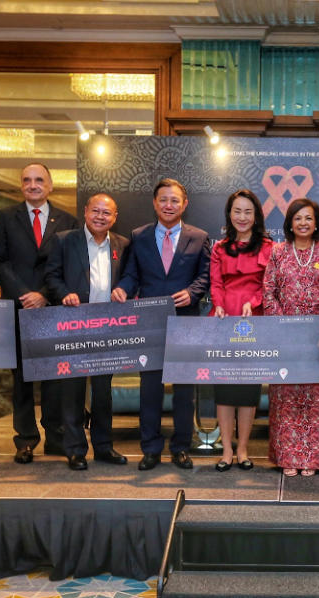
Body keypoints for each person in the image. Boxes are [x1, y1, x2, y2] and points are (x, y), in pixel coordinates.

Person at [112, 178, 211, 471]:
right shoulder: (139, 236)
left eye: (175, 200)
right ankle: (151, 449)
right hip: (150, 320)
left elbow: (206, 275)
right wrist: (122, 289)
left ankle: (181, 447)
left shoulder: (199, 236)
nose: (169, 205)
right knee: (150, 388)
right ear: (155, 203)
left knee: (184, 390)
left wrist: (193, 292)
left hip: (186, 321)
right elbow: (131, 274)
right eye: (163, 200)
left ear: (185, 204)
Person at [0, 163, 78, 464]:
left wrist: (44, 294)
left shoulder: (68, 220)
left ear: (50, 185)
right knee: (22, 379)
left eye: (39, 180)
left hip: (52, 308)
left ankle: (56, 436)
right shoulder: (4, 218)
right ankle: (25, 440)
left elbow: (69, 264)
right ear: (20, 185)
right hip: (17, 307)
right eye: (27, 180)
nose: (33, 185)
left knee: (55, 377)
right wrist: (25, 295)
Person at [44, 193, 130, 471]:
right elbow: (51, 276)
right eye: (96, 211)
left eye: (107, 213)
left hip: (107, 326)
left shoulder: (122, 244)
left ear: (115, 217)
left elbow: (129, 277)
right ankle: (76, 449)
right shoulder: (64, 240)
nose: (101, 217)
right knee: (73, 390)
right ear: (86, 211)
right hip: (75, 323)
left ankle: (104, 447)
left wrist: (124, 289)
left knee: (104, 391)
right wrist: (65, 294)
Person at [263, 198, 319, 477]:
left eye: (308, 218)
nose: (303, 223)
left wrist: (317, 327)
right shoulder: (278, 252)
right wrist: (283, 325)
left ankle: (314, 458)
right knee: (287, 397)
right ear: (290, 223)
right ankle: (288, 456)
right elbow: (268, 291)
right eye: (298, 218)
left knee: (316, 399)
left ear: (316, 223)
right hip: (284, 338)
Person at [209, 189, 273, 472]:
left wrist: (255, 302)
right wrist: (219, 305)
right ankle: (225, 451)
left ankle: (244, 449)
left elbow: (269, 285)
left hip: (254, 319)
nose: (242, 217)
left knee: (248, 388)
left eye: (248, 212)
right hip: (223, 320)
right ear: (229, 214)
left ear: (256, 215)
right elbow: (216, 283)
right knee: (224, 388)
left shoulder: (270, 247)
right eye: (237, 211)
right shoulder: (219, 248)